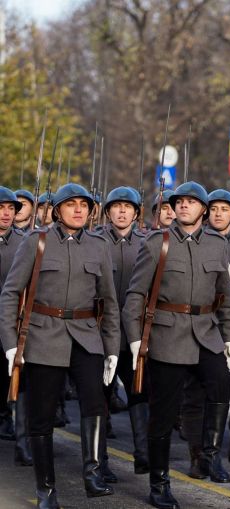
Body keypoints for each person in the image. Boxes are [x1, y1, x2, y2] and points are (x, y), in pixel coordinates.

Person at [0, 183, 121, 508]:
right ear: (57, 210)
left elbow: (108, 301)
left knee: (95, 404)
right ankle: (46, 490)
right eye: (71, 204)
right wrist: (11, 343)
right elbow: (11, 292)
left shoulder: (98, 246)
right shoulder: (36, 242)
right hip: (43, 335)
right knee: (40, 418)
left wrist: (111, 348)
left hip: (85, 335)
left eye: (84, 204)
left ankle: (93, 473)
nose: (79, 210)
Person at [123, 181, 230, 509]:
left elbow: (224, 296)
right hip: (167, 335)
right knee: (163, 413)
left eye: (191, 202)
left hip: (206, 331)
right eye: (179, 202)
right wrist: (134, 339)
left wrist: (227, 336)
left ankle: (209, 456)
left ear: (203, 208)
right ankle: (159, 482)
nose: (183, 206)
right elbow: (135, 294)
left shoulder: (217, 243)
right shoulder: (158, 241)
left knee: (221, 384)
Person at [180, 189, 230, 474]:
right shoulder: (192, 242)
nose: (217, 213)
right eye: (213, 208)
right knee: (197, 390)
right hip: (201, 325)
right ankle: (197, 452)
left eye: (224, 209)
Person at [98, 186, 149, 477]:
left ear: (136, 213)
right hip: (101, 331)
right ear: (107, 212)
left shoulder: (148, 242)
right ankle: (100, 461)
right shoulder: (94, 241)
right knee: (100, 396)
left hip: (135, 333)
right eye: (116, 206)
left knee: (139, 392)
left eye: (127, 207)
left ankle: (143, 454)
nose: (121, 211)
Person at [0, 187, 26, 454]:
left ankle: (9, 419)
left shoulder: (24, 241)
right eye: (1, 208)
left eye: (11, 209)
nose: (7, 214)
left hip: (12, 319)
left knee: (11, 372)